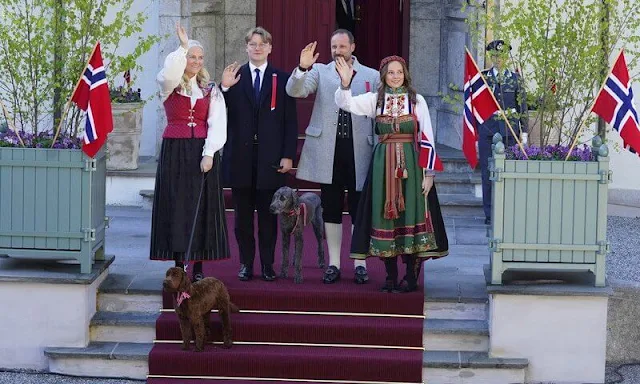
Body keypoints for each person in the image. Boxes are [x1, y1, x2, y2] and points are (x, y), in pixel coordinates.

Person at [334, 55, 449, 293]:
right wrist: (345, 84)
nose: (395, 76)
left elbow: (426, 136)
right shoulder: (375, 100)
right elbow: (346, 104)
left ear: (405, 73)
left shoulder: (417, 101)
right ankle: (390, 274)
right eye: (390, 72)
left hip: (412, 166)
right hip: (382, 165)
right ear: (383, 75)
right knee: (385, 215)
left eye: (399, 72)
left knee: (412, 214)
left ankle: (410, 275)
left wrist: (429, 173)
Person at [286, 29, 380, 284]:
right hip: (329, 149)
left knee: (360, 209)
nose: (337, 51)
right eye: (334, 47)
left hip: (360, 149)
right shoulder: (320, 71)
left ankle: (360, 263)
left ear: (352, 46)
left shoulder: (372, 75)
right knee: (331, 208)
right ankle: (334, 263)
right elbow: (295, 91)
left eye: (342, 46)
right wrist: (302, 68)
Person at [150, 23, 230, 281]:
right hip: (175, 150)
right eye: (191, 56)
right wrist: (183, 47)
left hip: (201, 151)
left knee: (202, 206)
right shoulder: (170, 85)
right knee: (178, 206)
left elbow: (218, 122)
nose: (196, 61)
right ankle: (179, 264)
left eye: (199, 57)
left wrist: (209, 153)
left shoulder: (210, 89)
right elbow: (168, 74)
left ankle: (198, 267)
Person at [220, 27, 298, 282]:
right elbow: (219, 113)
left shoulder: (282, 79)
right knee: (242, 218)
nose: (257, 48)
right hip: (241, 158)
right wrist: (224, 88)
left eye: (262, 44)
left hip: (271, 159)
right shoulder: (235, 76)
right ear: (246, 47)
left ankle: (267, 264)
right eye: (253, 44)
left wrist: (288, 155)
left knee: (268, 216)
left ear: (270, 48)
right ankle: (245, 263)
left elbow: (290, 121)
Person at [479, 39, 528, 225]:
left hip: (509, 131)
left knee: (508, 170)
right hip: (488, 129)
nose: (497, 59)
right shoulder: (483, 78)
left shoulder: (515, 79)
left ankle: (507, 210)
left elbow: (521, 106)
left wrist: (523, 133)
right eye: (494, 56)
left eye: (501, 56)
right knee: (487, 171)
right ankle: (489, 213)